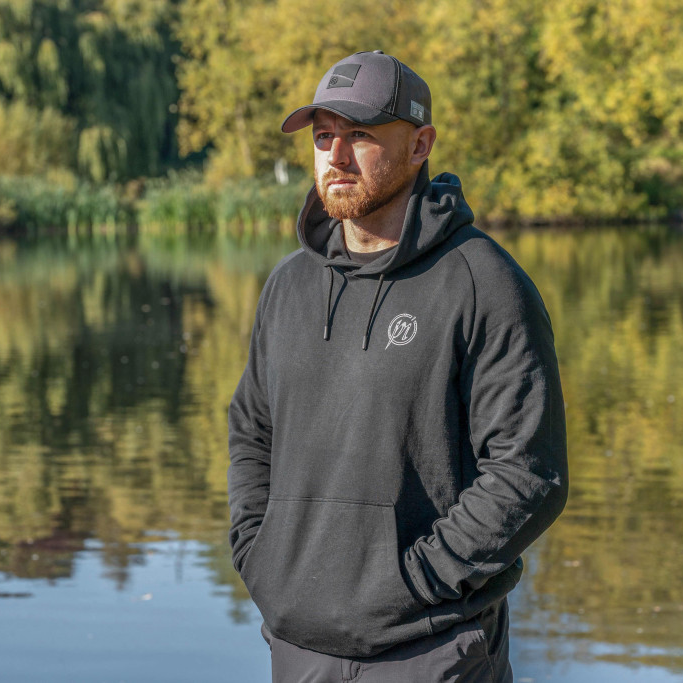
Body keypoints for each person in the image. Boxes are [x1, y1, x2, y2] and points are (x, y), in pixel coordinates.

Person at [227, 50, 568, 682]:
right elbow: (252, 430)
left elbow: (528, 473)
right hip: (299, 647)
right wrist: (261, 556)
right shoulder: (288, 286)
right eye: (323, 136)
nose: (335, 156)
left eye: (359, 134)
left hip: (431, 651)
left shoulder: (483, 283)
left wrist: (415, 582)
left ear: (420, 145)